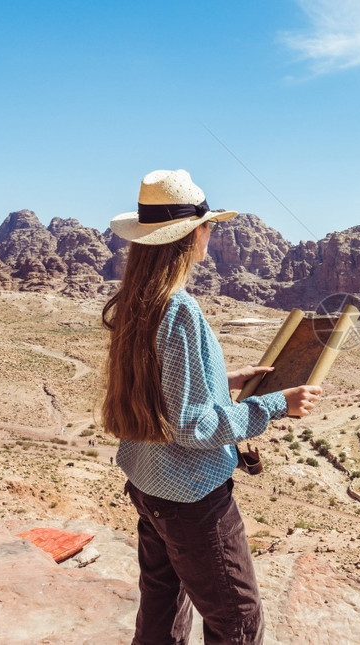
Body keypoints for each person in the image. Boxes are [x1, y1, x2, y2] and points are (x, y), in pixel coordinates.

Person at [102, 170, 321, 645]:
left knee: (161, 607)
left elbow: (157, 388)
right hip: (192, 499)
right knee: (237, 620)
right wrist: (276, 405)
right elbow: (192, 425)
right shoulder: (179, 309)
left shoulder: (138, 302)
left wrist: (221, 382)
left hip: (148, 484)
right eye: (209, 225)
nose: (212, 233)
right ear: (192, 234)